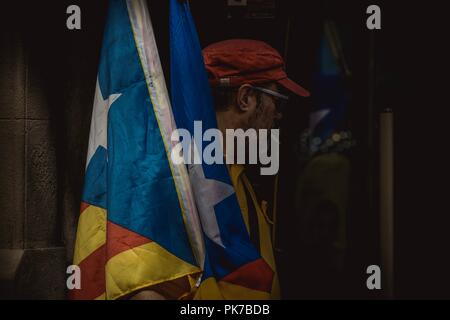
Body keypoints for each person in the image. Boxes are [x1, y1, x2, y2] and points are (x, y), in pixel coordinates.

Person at [131, 39, 310, 300]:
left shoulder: (234, 172)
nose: (279, 116)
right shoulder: (181, 178)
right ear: (246, 98)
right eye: (278, 102)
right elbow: (145, 291)